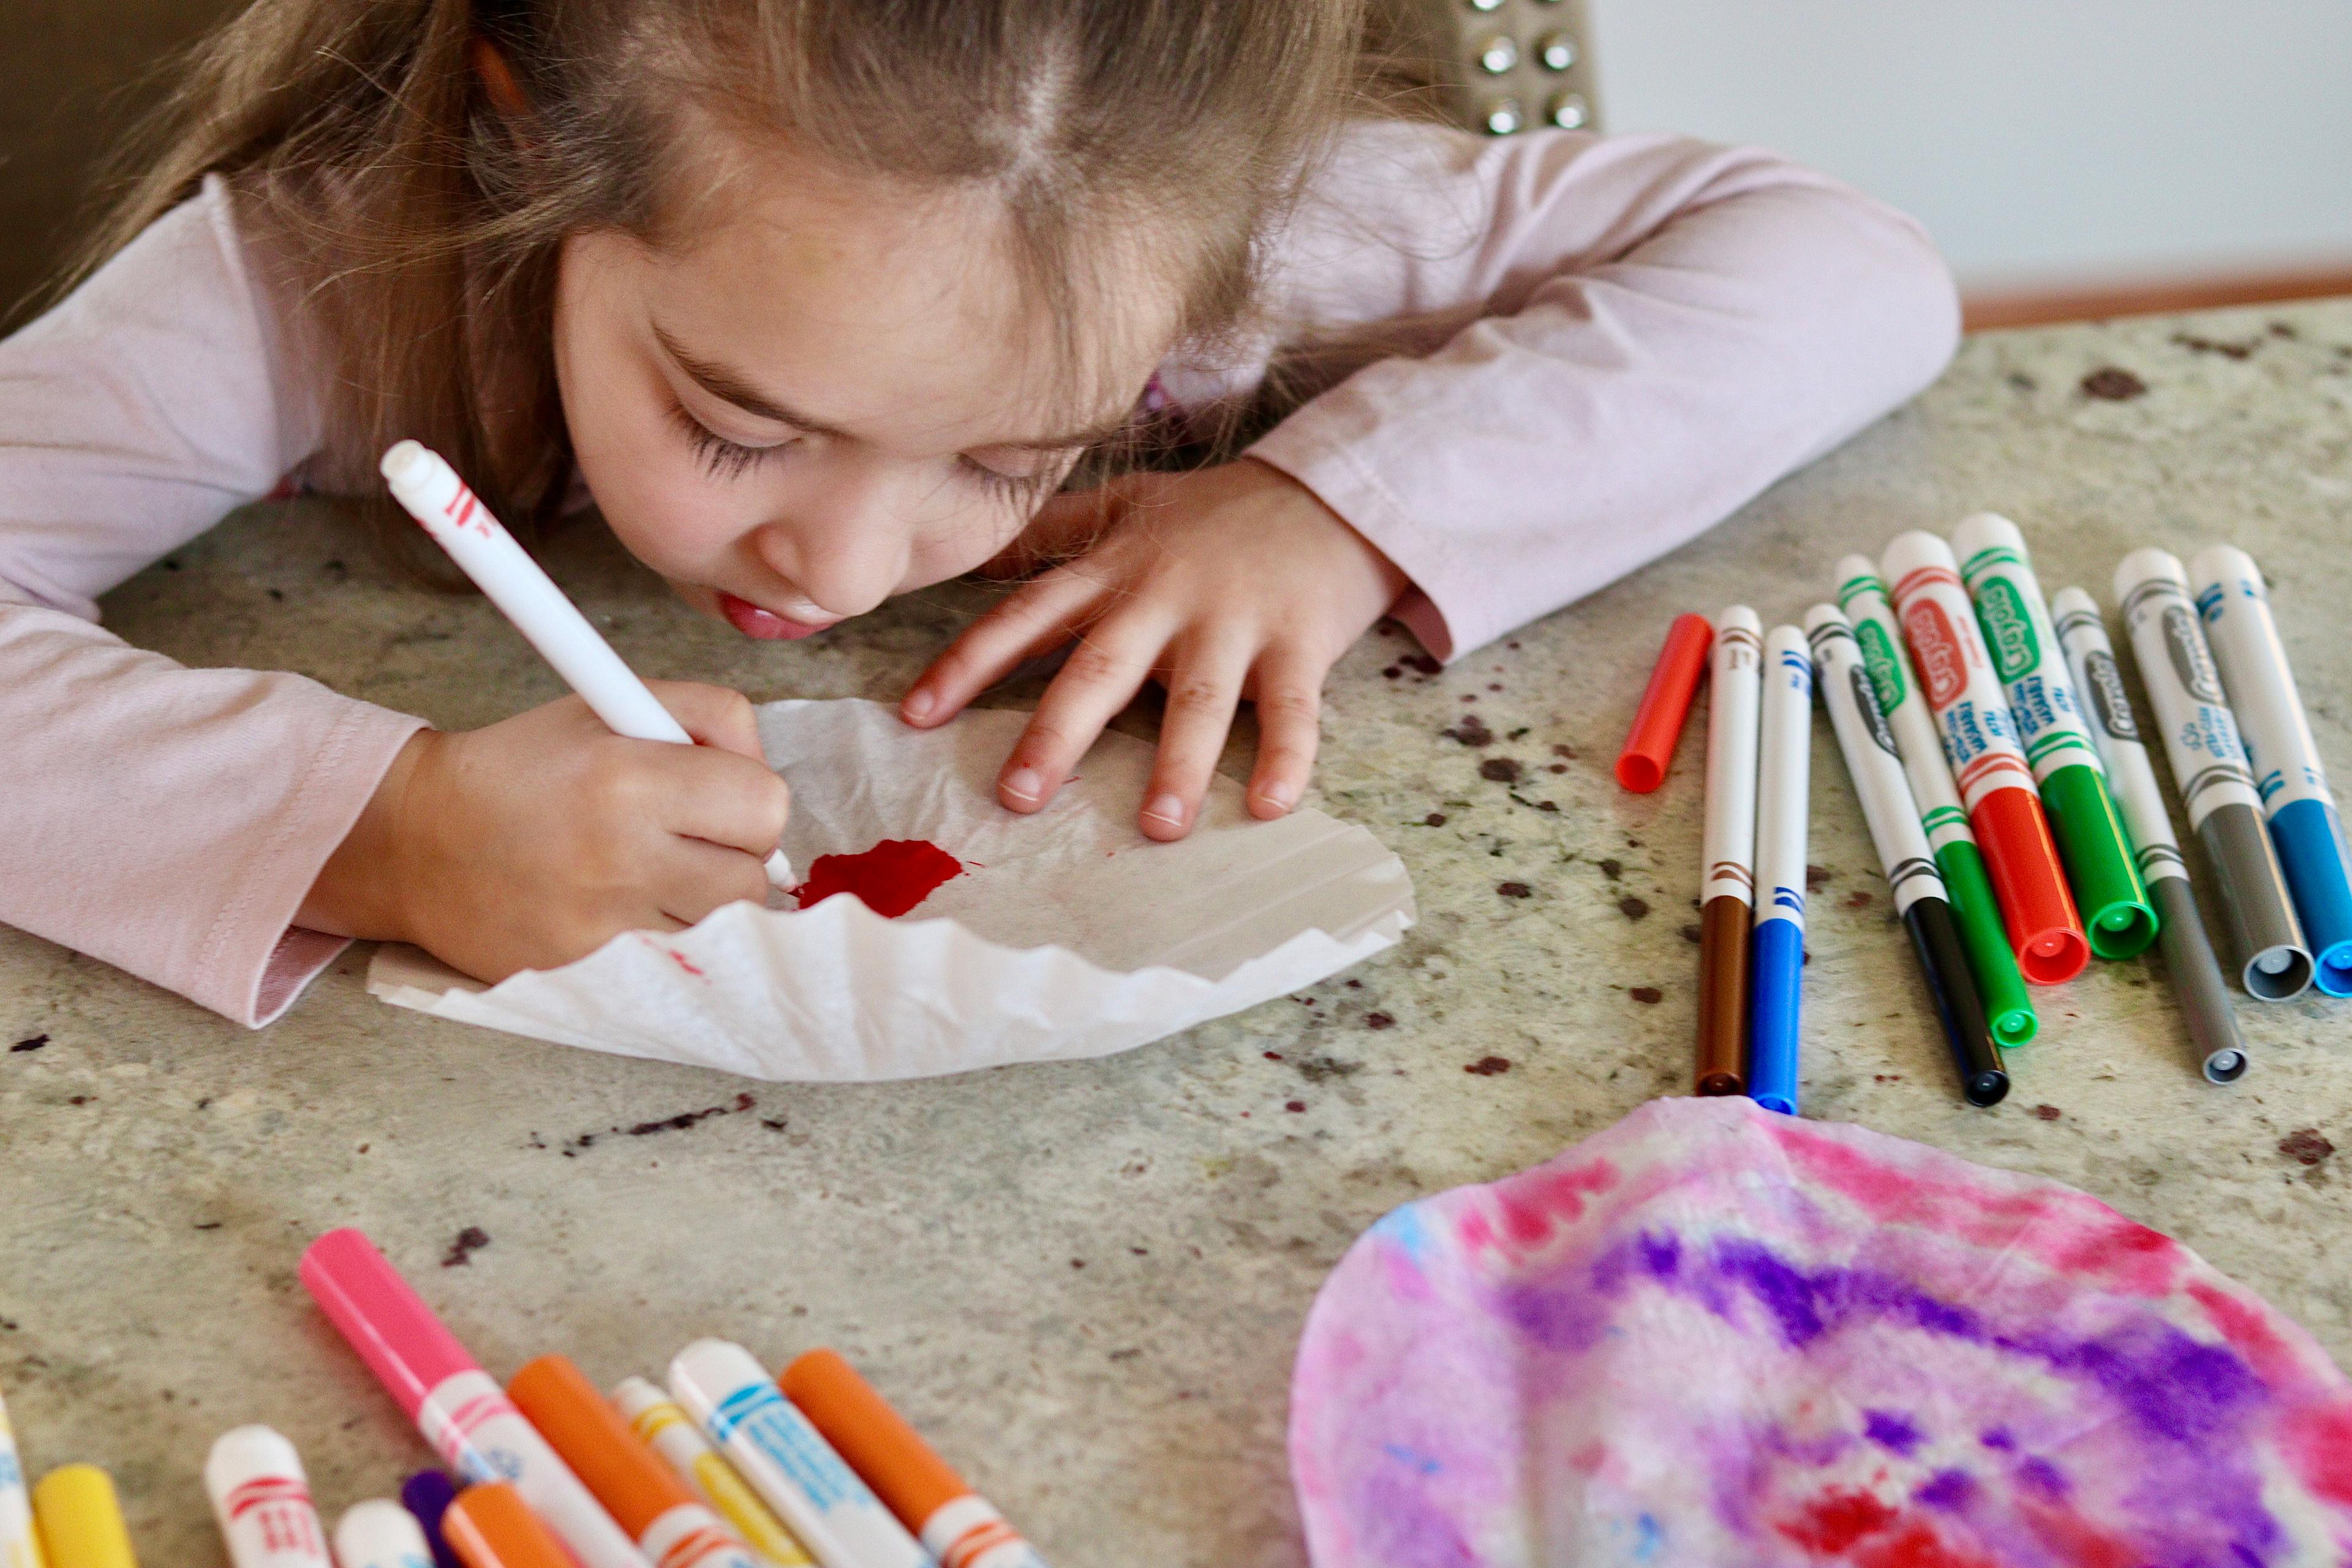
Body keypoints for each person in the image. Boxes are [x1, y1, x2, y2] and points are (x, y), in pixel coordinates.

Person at [0, 0, 1958, 1023]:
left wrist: (1327, 507)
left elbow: (1846, 267)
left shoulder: (1244, 213)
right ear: (526, 138)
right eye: (737, 426)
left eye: (1020, 458)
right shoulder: (312, 281)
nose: (847, 574)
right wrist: (381, 833)